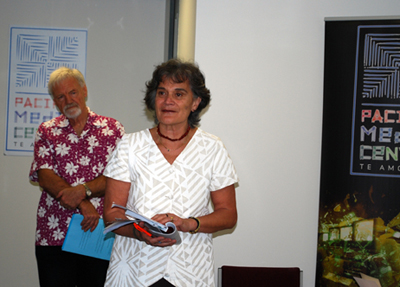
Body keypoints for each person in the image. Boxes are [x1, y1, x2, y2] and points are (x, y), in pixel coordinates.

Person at [103, 59, 238, 287]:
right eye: (162, 92)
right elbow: (112, 214)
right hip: (135, 271)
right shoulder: (129, 146)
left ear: (195, 102)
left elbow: (228, 215)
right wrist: (139, 232)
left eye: (178, 94)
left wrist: (188, 223)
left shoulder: (212, 148)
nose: (168, 101)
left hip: (190, 273)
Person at [29, 67, 125, 287]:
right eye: (61, 96)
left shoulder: (113, 129)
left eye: (72, 92)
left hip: (99, 233)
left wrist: (83, 191)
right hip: (53, 235)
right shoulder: (46, 131)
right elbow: (45, 177)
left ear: (84, 91)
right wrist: (83, 203)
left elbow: (118, 176)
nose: (68, 100)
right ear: (55, 101)